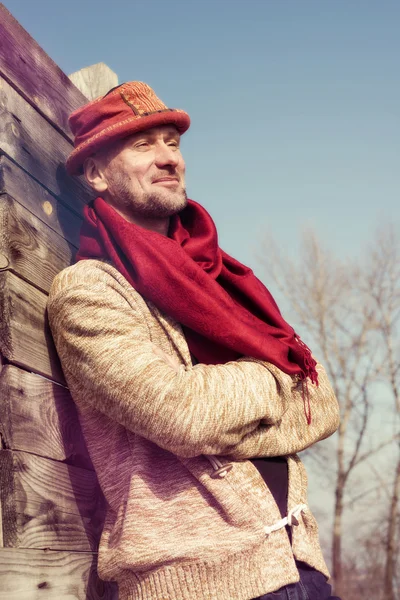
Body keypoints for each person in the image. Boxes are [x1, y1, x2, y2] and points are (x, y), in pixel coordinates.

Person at [48, 81, 341, 600]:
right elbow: (182, 414)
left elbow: (322, 403)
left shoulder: (223, 281)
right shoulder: (89, 291)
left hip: (301, 568)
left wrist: (227, 411)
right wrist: (275, 382)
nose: (168, 159)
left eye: (172, 142)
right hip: (200, 582)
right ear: (95, 173)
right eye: (142, 145)